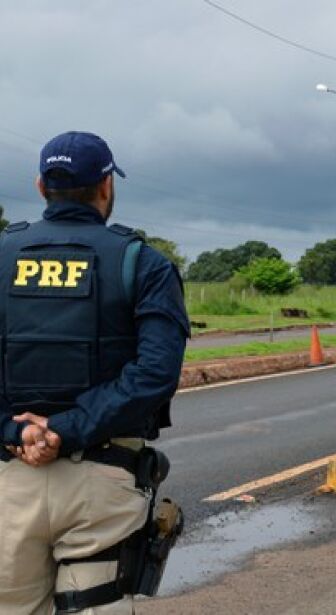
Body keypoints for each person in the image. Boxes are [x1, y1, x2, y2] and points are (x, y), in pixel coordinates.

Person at [0, 131, 190, 614]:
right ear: (106, 187)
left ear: (42, 188)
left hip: (8, 480)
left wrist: (18, 430)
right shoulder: (142, 263)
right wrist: (64, 429)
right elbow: (153, 373)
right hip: (102, 485)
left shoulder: (3, 258)